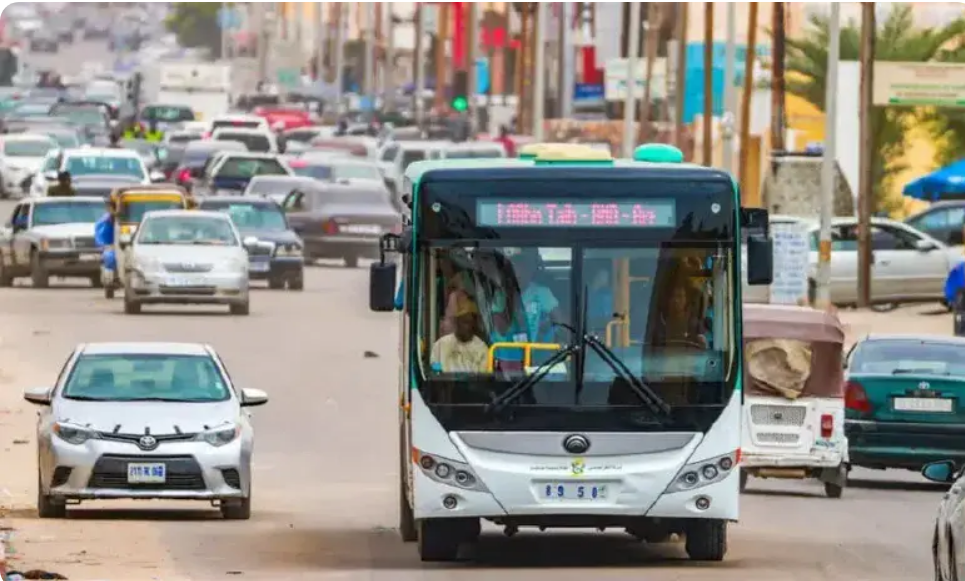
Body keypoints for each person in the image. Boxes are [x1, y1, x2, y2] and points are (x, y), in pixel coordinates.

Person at [512, 249, 563, 344]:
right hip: (504, 351)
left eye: (522, 272)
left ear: (530, 273)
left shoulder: (542, 293)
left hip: (536, 353)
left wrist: (550, 337)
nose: (518, 276)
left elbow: (559, 322)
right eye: (514, 273)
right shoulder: (501, 294)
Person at [430, 296, 489, 374]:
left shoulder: (482, 349)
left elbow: (482, 380)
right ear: (457, 322)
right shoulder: (440, 346)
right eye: (464, 321)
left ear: (474, 324)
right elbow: (435, 373)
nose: (467, 326)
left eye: (470, 322)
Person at [649, 284, 707, 348]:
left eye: (680, 296)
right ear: (668, 299)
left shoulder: (695, 324)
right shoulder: (658, 322)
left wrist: (702, 342)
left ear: (686, 300)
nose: (676, 300)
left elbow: (702, 347)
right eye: (673, 296)